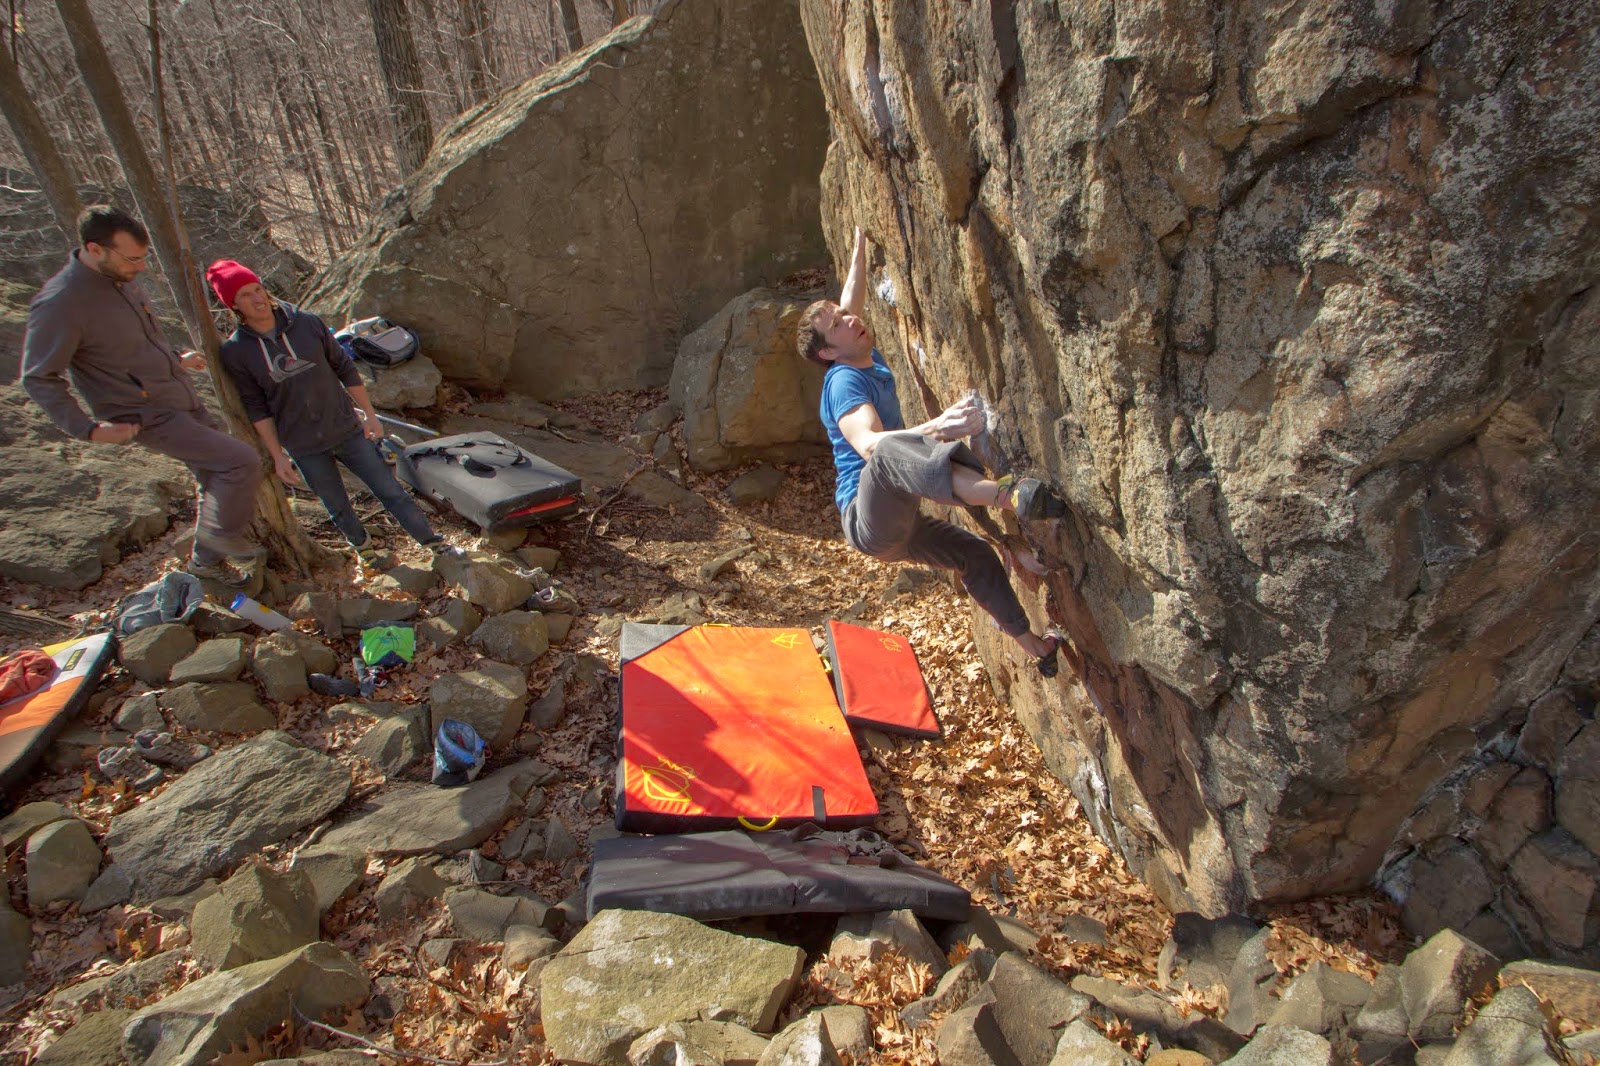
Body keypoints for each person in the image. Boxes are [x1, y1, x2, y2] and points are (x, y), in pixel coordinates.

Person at [798, 227, 1067, 674]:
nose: (849, 319)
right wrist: (938, 427)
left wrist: (859, 244)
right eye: (838, 324)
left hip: (901, 524)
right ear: (828, 352)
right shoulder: (843, 381)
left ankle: (1038, 649)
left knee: (975, 555)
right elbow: (869, 445)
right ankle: (1009, 494)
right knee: (886, 453)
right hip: (867, 519)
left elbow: (849, 300)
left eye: (845, 314)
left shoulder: (855, 347)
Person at [21, 206, 262, 586]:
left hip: (179, 393)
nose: (142, 266)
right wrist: (88, 429)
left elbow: (137, 342)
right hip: (143, 413)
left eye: (143, 257)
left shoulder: (123, 278)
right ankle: (219, 538)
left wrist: (176, 358)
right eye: (133, 259)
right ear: (95, 249)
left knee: (213, 472)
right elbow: (39, 377)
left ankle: (205, 563)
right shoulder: (61, 303)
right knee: (240, 461)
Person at [206, 259, 444, 569]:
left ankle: (432, 542)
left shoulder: (306, 324)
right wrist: (278, 456)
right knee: (337, 507)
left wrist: (370, 415)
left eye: (257, 289)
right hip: (303, 445)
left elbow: (344, 368)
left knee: (391, 491)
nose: (256, 299)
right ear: (234, 306)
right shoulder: (236, 351)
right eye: (245, 295)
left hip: (346, 429)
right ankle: (365, 551)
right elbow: (256, 407)